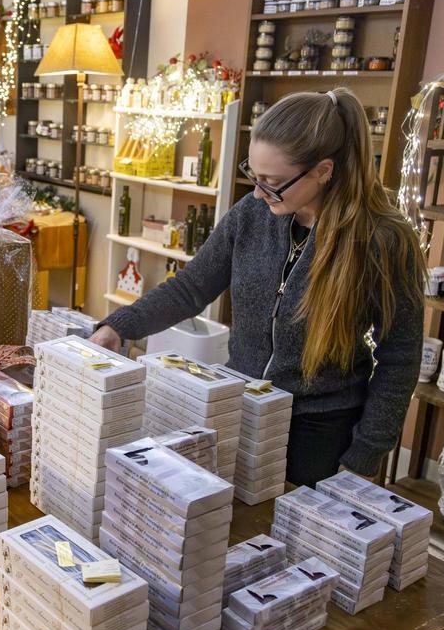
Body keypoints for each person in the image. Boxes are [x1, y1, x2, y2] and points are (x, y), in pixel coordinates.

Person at [92, 87, 424, 486]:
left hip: (321, 428)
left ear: (323, 170)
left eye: (273, 181)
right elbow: (192, 287)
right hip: (241, 405)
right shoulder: (252, 213)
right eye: (255, 174)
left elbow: (400, 356)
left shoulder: (382, 239)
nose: (257, 192)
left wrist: (368, 450)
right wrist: (119, 326)